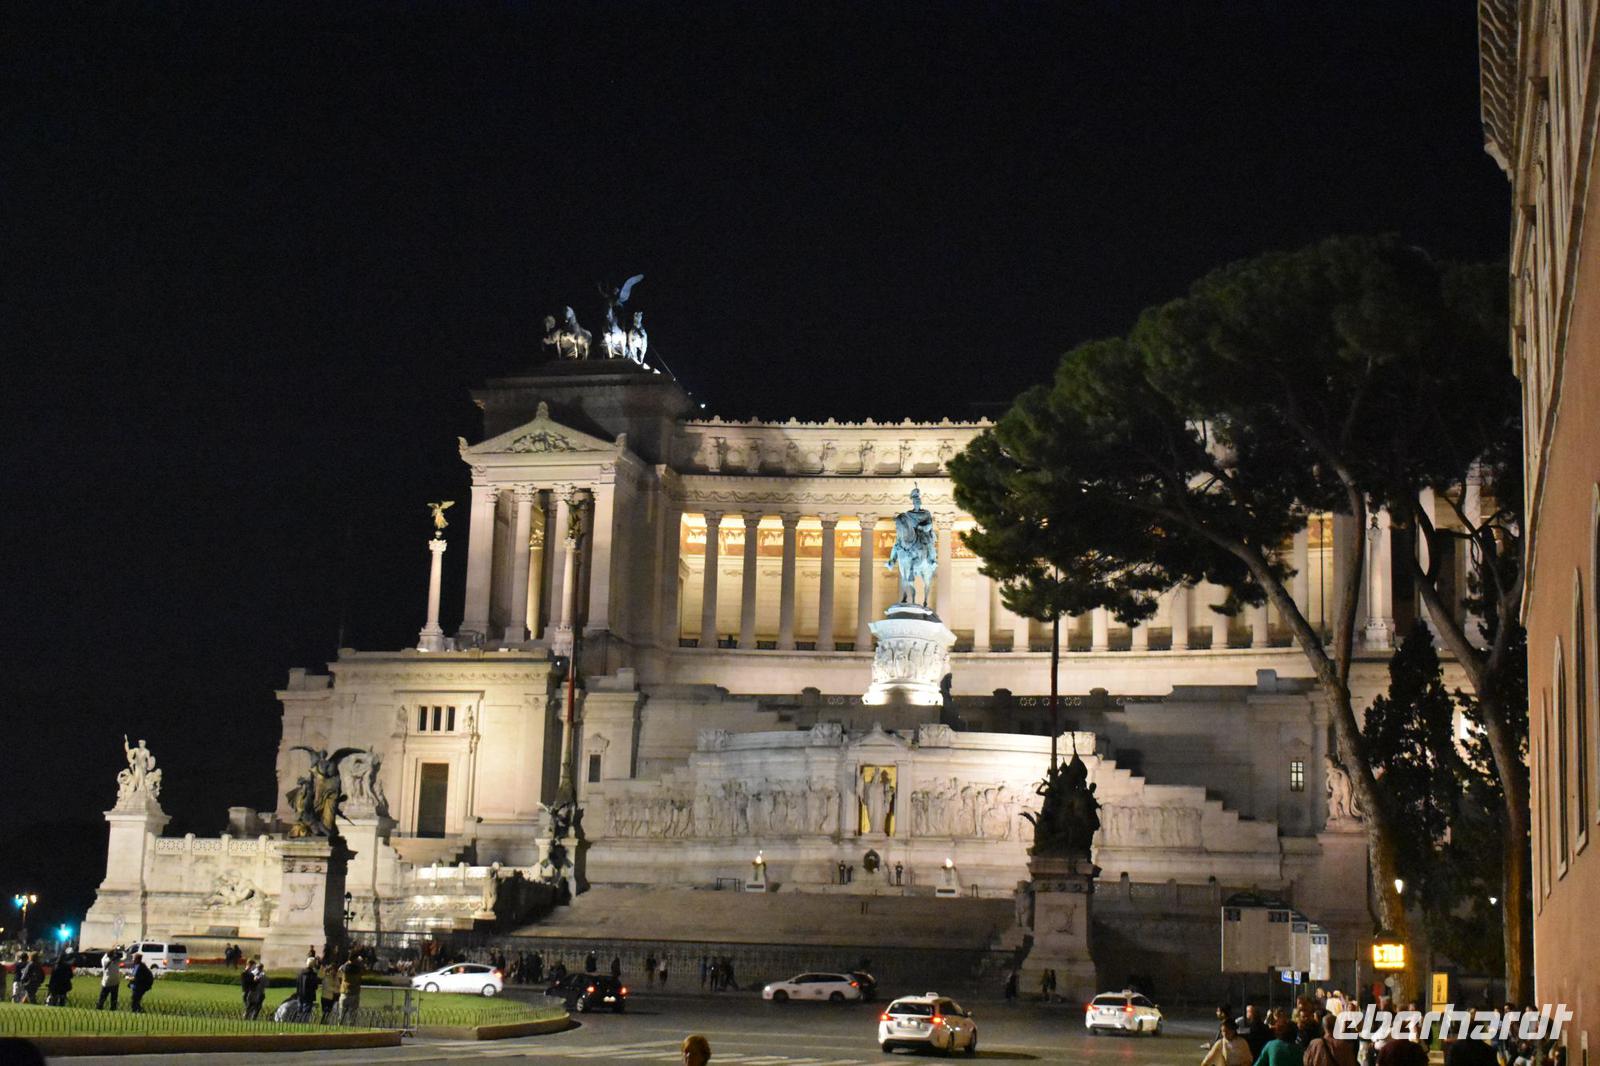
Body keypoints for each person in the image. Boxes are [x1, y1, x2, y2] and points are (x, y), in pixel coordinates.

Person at [337, 954, 365, 1023]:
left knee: (341, 1015)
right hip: (355, 993)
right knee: (352, 1016)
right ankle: (351, 1026)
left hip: (345, 993)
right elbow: (362, 971)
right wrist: (360, 962)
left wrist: (348, 961)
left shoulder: (345, 968)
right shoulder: (358, 969)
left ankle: (339, 1026)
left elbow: (340, 969)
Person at [319, 956, 340, 1024]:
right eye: (334, 970)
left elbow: (338, 985)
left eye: (336, 970)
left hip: (332, 997)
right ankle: (323, 1023)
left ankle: (326, 1022)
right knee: (325, 1012)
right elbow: (328, 987)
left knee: (329, 1012)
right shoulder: (326, 977)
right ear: (330, 970)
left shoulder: (336, 977)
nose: (335, 972)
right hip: (326, 997)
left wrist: (336, 988)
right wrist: (336, 989)